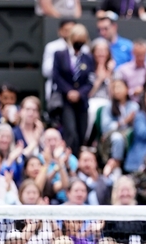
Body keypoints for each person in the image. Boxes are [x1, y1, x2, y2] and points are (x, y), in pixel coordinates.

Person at [52, 24, 94, 155]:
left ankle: (78, 159)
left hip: (81, 101)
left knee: (81, 133)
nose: (79, 42)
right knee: (71, 133)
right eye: (77, 38)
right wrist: (69, 91)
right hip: (65, 101)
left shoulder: (88, 58)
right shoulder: (60, 55)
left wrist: (79, 93)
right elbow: (56, 76)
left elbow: (90, 80)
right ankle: (69, 160)